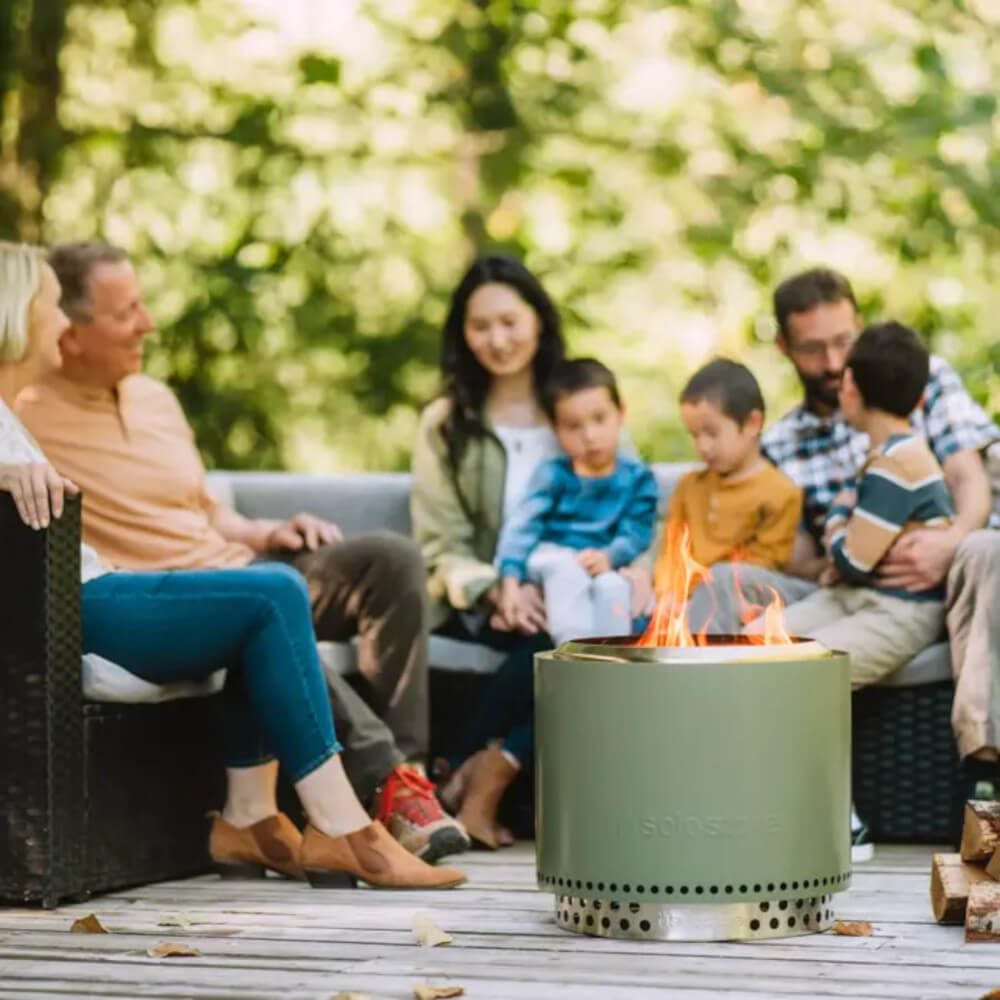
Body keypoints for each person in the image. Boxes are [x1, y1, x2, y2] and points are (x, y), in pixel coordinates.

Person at [0, 240, 465, 890]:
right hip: (108, 591)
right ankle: (347, 819)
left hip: (174, 574)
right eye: (54, 309)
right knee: (270, 598)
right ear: (33, 319)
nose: (147, 323)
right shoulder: (26, 409)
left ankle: (260, 813)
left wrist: (267, 531)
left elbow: (203, 506)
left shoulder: (144, 399)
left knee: (364, 564)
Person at [692, 266, 1000, 830]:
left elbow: (970, 480)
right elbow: (804, 555)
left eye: (842, 343)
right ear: (784, 346)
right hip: (849, 584)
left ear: (859, 326)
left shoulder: (919, 379)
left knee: (988, 549)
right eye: (813, 349)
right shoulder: (782, 439)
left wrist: (948, 541)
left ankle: (985, 767)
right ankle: (700, 767)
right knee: (720, 588)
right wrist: (839, 559)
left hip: (944, 576)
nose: (833, 363)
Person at [412, 254, 576, 849]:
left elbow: (628, 506)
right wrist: (495, 587)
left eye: (510, 321)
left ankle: (466, 774)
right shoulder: (445, 425)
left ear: (538, 319)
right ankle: (476, 780)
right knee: (563, 649)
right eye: (480, 327)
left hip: (567, 597)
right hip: (485, 607)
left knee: (576, 640)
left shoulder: (579, 408)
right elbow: (440, 547)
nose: (497, 340)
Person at [756, 322, 952, 684]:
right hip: (855, 594)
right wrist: (844, 554)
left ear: (849, 388)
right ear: (921, 397)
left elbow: (851, 560)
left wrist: (838, 512)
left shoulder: (899, 463)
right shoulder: (887, 456)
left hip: (899, 611)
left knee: (798, 671)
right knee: (748, 642)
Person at [495, 357, 658, 645]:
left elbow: (637, 531)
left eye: (599, 419)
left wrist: (611, 557)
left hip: (603, 561)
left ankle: (611, 657)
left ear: (620, 413)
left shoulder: (638, 479)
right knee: (565, 570)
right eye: (573, 426)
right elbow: (522, 527)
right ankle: (572, 651)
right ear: (555, 429)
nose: (590, 436)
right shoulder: (552, 475)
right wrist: (510, 578)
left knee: (613, 586)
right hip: (551, 554)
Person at [669, 358, 800, 577]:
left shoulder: (782, 494)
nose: (702, 446)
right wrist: (668, 591)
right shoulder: (689, 486)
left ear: (752, 424)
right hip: (676, 602)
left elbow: (763, 566)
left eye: (712, 433)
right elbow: (671, 551)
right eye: (694, 434)